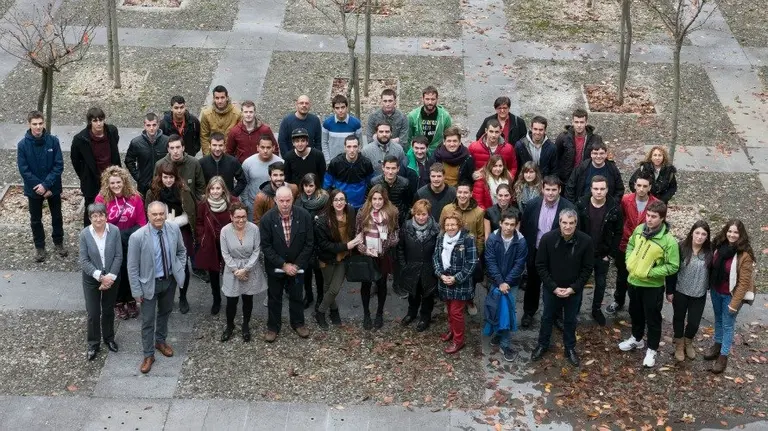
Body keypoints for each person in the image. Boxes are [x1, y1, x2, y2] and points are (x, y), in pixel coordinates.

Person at [127, 201, 187, 374]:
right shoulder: (137, 237)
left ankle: (160, 341)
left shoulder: (173, 229)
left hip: (169, 281)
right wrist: (136, 291)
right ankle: (148, 354)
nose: (159, 217)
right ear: (148, 215)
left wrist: (179, 269)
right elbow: (132, 267)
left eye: (162, 214)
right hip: (149, 284)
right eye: (155, 214)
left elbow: (181, 252)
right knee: (147, 321)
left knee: (165, 312)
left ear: (166, 214)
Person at [618, 201, 680, 368]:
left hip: (652, 287)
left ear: (662, 218)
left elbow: (673, 265)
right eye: (648, 215)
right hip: (633, 281)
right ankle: (636, 339)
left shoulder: (669, 241)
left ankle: (652, 349)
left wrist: (649, 272)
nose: (649, 219)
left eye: (654, 217)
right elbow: (630, 245)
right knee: (635, 312)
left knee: (652, 318)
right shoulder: (639, 230)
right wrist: (629, 262)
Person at [531, 209, 594, 367]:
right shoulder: (547, 239)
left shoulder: (585, 241)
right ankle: (542, 344)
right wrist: (553, 287)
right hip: (552, 288)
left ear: (576, 223)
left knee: (571, 320)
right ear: (559, 222)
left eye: (571, 223)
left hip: (573, 291)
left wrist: (574, 288)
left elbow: (587, 268)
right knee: (546, 317)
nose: (567, 226)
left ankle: (570, 348)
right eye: (564, 222)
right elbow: (540, 265)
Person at [260, 186, 314, 342]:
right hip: (276, 267)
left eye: (288, 200)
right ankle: (273, 327)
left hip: (297, 267)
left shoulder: (304, 216)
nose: (285, 204)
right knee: (274, 297)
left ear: (293, 199)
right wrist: (284, 265)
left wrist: (296, 265)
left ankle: (298, 323)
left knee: (297, 295)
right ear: (275, 200)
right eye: (281, 201)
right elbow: (266, 247)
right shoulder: (267, 219)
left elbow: (309, 244)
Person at [519, 176, 575, 328]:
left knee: (557, 284)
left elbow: (573, 232)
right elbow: (525, 228)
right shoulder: (532, 205)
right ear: (542, 189)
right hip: (536, 251)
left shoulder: (568, 207)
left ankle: (557, 315)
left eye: (554, 190)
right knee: (532, 283)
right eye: (547, 189)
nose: (550, 193)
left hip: (557, 254)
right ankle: (529, 312)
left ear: (559, 190)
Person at [94, 166, 147, 320]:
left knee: (129, 270)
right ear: (107, 184)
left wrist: (126, 236)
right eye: (112, 183)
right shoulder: (101, 199)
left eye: (119, 182)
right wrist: (117, 236)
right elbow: (99, 223)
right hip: (110, 241)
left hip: (131, 239)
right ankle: (117, 301)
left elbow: (142, 222)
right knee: (114, 271)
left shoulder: (135, 197)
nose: (116, 186)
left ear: (124, 182)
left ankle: (130, 299)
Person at [145, 161, 197, 314]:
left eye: (171, 177)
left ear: (176, 177)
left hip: (181, 231)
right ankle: (164, 296)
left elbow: (190, 213)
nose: (168, 180)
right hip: (159, 230)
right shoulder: (152, 192)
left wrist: (174, 223)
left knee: (182, 264)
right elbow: (148, 213)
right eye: (165, 177)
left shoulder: (183, 191)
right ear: (160, 177)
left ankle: (182, 296)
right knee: (161, 262)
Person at [704, 220, 756, 374]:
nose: (732, 235)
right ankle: (717, 344)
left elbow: (744, 283)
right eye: (730, 231)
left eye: (736, 232)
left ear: (741, 235)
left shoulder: (744, 254)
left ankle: (723, 355)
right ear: (725, 232)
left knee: (728, 324)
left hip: (731, 295)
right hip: (716, 291)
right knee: (718, 319)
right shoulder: (718, 246)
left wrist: (734, 304)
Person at [606, 173, 659, 316]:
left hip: (645, 245)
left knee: (641, 276)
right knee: (622, 274)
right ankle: (619, 300)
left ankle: (637, 304)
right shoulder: (625, 200)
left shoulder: (655, 203)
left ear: (650, 187)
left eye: (645, 186)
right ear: (634, 185)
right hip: (625, 242)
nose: (641, 189)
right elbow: (619, 219)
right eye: (639, 185)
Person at [17, 110, 67, 261]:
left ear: (44, 123)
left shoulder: (53, 141)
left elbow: (59, 165)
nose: (38, 127)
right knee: (35, 219)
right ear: (29, 124)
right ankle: (40, 247)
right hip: (34, 190)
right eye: (34, 124)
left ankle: (58, 242)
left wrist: (46, 185)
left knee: (57, 216)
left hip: (52, 187)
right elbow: (24, 169)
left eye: (40, 123)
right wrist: (39, 186)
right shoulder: (22, 145)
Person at [575, 175, 623, 326]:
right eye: (596, 188)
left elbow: (618, 232)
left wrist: (610, 254)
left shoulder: (614, 207)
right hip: (584, 254)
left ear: (607, 189)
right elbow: (575, 228)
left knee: (601, 284)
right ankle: (575, 310)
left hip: (602, 254)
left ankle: (596, 309)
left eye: (602, 189)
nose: (599, 192)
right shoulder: (581, 204)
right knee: (579, 283)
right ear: (591, 189)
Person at [79, 203, 122, 361]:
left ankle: (109, 338)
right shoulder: (84, 234)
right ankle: (93, 343)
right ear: (90, 218)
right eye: (94, 216)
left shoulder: (115, 231)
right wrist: (100, 277)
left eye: (101, 215)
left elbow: (118, 256)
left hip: (111, 278)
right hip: (92, 279)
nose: (98, 218)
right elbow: (83, 261)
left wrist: (110, 277)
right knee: (93, 312)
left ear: (106, 215)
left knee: (109, 310)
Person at [314, 190, 363, 328]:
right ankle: (334, 310)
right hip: (327, 257)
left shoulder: (351, 212)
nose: (339, 202)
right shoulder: (323, 220)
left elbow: (357, 228)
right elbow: (324, 244)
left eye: (342, 199)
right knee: (328, 286)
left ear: (346, 201)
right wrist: (347, 245)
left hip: (344, 257)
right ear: (331, 203)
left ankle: (320, 312)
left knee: (334, 289)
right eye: (336, 200)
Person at [484, 209, 527, 361]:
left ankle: (505, 344)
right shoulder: (492, 239)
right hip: (496, 281)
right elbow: (490, 261)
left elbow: (519, 264)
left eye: (512, 225)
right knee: (496, 308)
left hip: (511, 284)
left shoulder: (521, 241)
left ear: (516, 225)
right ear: (500, 223)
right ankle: (498, 332)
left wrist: (506, 282)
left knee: (508, 311)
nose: (509, 227)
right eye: (506, 224)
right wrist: (500, 282)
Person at [220, 202, 266, 342]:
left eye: (244, 216)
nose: (241, 220)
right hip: (232, 269)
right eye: (237, 217)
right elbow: (225, 253)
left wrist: (246, 269)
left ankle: (246, 325)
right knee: (231, 301)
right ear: (231, 216)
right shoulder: (225, 231)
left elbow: (257, 250)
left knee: (248, 299)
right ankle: (229, 326)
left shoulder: (254, 229)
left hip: (250, 267)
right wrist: (236, 270)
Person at [666, 220, 711, 362]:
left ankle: (688, 341)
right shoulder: (681, 248)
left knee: (694, 322)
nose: (700, 236)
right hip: (681, 291)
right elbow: (672, 270)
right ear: (692, 233)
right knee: (678, 318)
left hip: (699, 293)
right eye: (697, 233)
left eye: (704, 234)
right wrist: (670, 290)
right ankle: (679, 344)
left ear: (707, 236)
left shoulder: (710, 252)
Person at [355, 185, 399, 330]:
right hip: (367, 255)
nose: (377, 202)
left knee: (381, 284)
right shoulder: (362, 213)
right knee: (366, 285)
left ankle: (379, 313)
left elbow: (395, 231)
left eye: (380, 199)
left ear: (384, 199)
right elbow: (358, 234)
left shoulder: (392, 212)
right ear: (370, 199)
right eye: (374, 199)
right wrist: (363, 248)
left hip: (383, 254)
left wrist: (391, 242)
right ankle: (366, 314)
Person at [433, 210, 478, 354]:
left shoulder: (468, 239)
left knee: (456, 312)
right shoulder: (441, 237)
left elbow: (471, 263)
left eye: (453, 224)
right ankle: (452, 331)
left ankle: (458, 341)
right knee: (449, 309)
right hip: (445, 281)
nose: (450, 227)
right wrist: (440, 274)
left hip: (460, 283)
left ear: (459, 225)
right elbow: (435, 257)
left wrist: (456, 278)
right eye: (447, 225)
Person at [195, 176, 240, 315]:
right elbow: (199, 222)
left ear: (223, 189)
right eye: (212, 188)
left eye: (218, 188)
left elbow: (239, 219)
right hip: (211, 243)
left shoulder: (232, 202)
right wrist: (202, 236)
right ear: (208, 189)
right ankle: (216, 299)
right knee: (213, 272)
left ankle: (230, 297)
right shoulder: (203, 203)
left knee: (229, 271)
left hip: (228, 243)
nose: (215, 191)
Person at [71, 107, 121, 227]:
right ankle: (89, 236)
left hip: (111, 177)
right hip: (92, 180)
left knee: (113, 206)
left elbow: (115, 150)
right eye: (95, 120)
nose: (99, 123)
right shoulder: (80, 139)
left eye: (101, 120)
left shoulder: (112, 131)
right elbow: (75, 161)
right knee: (91, 209)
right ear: (90, 122)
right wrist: (84, 175)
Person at [398, 199, 440, 332]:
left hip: (429, 267)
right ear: (413, 214)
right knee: (413, 293)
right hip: (412, 266)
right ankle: (411, 313)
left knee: (427, 295)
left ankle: (425, 317)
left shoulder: (436, 228)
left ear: (428, 214)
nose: (421, 217)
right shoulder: (406, 226)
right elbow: (400, 248)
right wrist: (404, 265)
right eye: (418, 214)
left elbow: (439, 250)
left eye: (424, 214)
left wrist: (435, 267)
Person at [297, 173, 328, 309]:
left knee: (319, 272)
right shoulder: (300, 200)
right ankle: (308, 295)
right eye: (305, 186)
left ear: (316, 186)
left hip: (319, 241)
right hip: (304, 242)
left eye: (311, 185)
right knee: (306, 272)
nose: (308, 189)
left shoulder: (324, 200)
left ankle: (320, 296)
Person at [323, 135, 375, 209]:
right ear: (344, 147)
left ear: (359, 147)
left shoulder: (366, 163)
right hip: (341, 205)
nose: (352, 150)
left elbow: (371, 184)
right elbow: (326, 184)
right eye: (349, 146)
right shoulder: (335, 162)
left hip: (361, 205)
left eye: (355, 146)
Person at [555, 108, 605, 183]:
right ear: (572, 122)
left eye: (582, 122)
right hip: (567, 178)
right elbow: (556, 158)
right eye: (576, 122)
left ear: (586, 122)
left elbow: (601, 158)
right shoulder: (563, 137)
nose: (579, 125)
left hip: (587, 177)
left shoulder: (596, 139)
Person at [125, 112, 169, 196]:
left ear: (158, 125)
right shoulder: (136, 142)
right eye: (148, 125)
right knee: (144, 207)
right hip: (144, 185)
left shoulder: (166, 141)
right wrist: (138, 177)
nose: (151, 128)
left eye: (154, 125)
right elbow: (129, 161)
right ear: (144, 125)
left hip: (163, 183)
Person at [241, 135, 283, 221]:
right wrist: (246, 203)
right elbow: (244, 184)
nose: (265, 150)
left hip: (275, 204)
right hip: (253, 204)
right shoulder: (248, 163)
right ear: (257, 148)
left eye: (268, 147)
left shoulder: (281, 163)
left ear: (273, 148)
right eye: (262, 147)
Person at [155, 134, 206, 200]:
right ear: (168, 149)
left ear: (183, 148)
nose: (175, 151)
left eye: (178, 147)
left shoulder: (194, 163)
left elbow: (201, 187)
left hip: (188, 204)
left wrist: (196, 203)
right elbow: (156, 187)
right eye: (172, 148)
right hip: (167, 205)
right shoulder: (160, 164)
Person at [199, 132, 246, 197]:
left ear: (224, 146)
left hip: (228, 201)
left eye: (220, 145)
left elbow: (242, 181)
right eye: (214, 145)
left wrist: (232, 195)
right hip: (208, 201)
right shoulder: (202, 163)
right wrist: (204, 195)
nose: (217, 148)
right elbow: (198, 183)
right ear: (209, 145)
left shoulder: (232, 161)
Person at [407, 86, 452, 154]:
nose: (430, 102)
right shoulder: (413, 116)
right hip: (418, 151)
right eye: (427, 99)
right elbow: (408, 137)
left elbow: (449, 137)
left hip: (437, 152)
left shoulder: (445, 116)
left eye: (433, 99)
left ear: (437, 99)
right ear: (422, 99)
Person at [369, 155, 411, 226]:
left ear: (398, 169)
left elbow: (408, 204)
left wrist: (404, 219)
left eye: (393, 168)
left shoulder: (405, 183)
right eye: (387, 168)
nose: (390, 172)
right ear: (383, 168)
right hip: (378, 220)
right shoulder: (374, 182)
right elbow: (368, 201)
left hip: (399, 220)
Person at [200, 85, 241, 156]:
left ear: (227, 98)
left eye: (222, 97)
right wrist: (207, 156)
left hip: (230, 154)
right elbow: (204, 136)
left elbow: (240, 137)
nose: (220, 101)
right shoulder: (206, 114)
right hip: (212, 153)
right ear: (213, 98)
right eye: (217, 98)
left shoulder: (237, 114)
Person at [322, 94, 364, 163]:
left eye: (343, 107)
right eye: (337, 108)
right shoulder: (327, 123)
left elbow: (360, 144)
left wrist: (356, 161)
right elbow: (324, 143)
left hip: (351, 162)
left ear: (347, 107)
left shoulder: (356, 123)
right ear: (333, 109)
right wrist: (328, 161)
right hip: (333, 163)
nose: (340, 110)